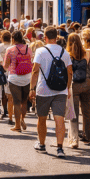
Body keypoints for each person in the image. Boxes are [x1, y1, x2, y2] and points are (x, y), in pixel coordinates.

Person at [29, 26, 71, 158]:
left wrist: (31, 88)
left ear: (45, 38)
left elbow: (35, 71)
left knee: (42, 118)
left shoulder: (40, 51)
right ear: (57, 37)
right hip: (61, 90)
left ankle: (42, 145)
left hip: (44, 90)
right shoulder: (65, 52)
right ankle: (60, 148)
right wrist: (68, 87)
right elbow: (70, 72)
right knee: (59, 119)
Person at [67, 33, 90, 149]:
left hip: (74, 85)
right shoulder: (88, 52)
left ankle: (74, 139)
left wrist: (66, 87)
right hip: (87, 84)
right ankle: (88, 136)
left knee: (74, 113)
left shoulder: (67, 54)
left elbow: (69, 72)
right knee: (86, 112)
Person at [4, 30, 33, 132]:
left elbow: (6, 65)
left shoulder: (10, 49)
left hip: (14, 78)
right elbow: (31, 62)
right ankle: (22, 119)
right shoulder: (28, 48)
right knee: (24, 101)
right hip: (27, 77)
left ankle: (17, 126)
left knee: (16, 102)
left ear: (13, 39)